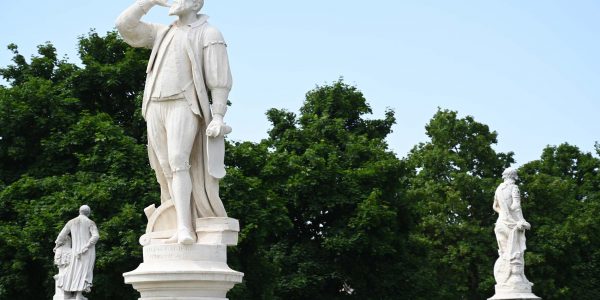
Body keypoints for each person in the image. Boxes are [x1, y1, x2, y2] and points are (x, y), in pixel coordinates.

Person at [116, 0, 232, 244]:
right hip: (155, 104)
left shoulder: (209, 33)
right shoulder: (163, 32)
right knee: (164, 168)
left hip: (184, 102)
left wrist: (219, 115)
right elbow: (125, 26)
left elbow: (218, 77)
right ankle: (172, 220)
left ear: (195, 3)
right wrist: (148, 2)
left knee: (179, 161)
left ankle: (184, 228)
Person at [492, 168, 531, 285]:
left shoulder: (498, 189)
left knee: (504, 253)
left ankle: (504, 279)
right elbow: (516, 206)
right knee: (516, 252)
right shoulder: (514, 188)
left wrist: (503, 212)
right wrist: (521, 220)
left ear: (504, 176)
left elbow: (495, 206)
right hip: (512, 225)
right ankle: (515, 278)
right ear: (514, 177)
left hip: (500, 224)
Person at [54, 205, 99, 300]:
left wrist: (57, 245)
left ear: (79, 211)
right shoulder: (90, 222)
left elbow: (61, 236)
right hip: (87, 251)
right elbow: (96, 236)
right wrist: (87, 246)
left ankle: (71, 293)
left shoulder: (71, 222)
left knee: (74, 271)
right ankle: (78, 295)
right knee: (84, 272)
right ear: (88, 213)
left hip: (75, 251)